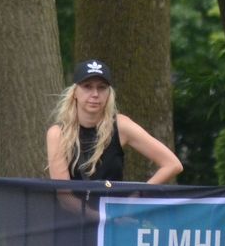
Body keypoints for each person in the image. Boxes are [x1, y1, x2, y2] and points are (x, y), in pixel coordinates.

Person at [45, 59, 184, 185]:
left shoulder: (121, 125)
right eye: (87, 86)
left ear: (109, 93)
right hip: (74, 213)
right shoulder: (57, 134)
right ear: (75, 92)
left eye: (102, 87)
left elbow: (173, 164)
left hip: (113, 211)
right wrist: (92, 214)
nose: (95, 94)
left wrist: (136, 196)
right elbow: (63, 193)